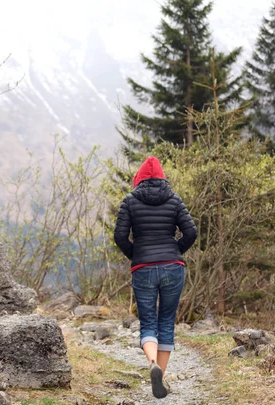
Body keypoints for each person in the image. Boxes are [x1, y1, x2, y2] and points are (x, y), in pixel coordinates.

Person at [114, 156, 197, 399]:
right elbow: (191, 231)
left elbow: (120, 236)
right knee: (166, 321)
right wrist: (175, 251)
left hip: (143, 269)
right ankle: (161, 374)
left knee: (148, 322)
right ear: (162, 177)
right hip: (173, 267)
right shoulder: (174, 199)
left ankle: (152, 363)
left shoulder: (130, 201)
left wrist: (137, 255)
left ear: (138, 178)